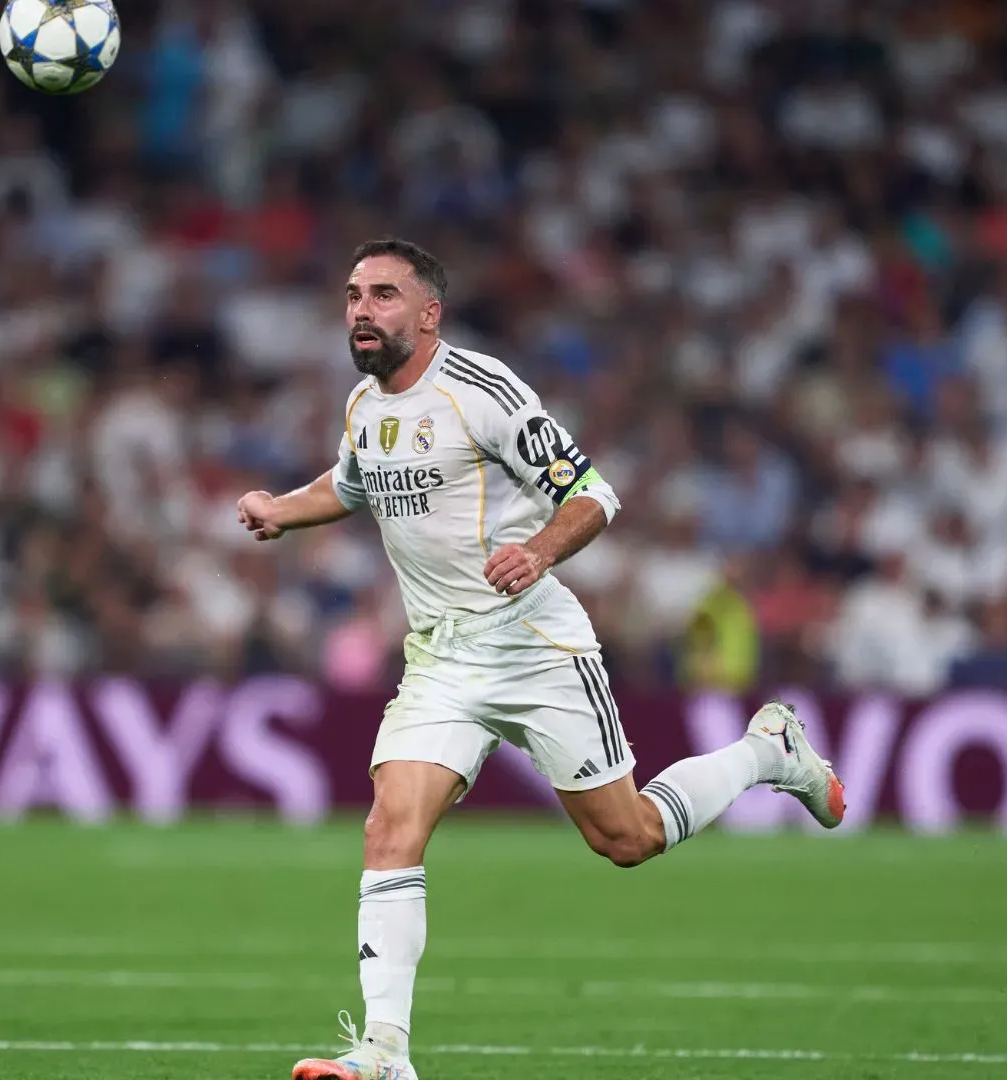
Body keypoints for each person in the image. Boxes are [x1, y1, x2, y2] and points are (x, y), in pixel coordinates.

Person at [236, 239, 847, 1080]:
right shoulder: (364, 406)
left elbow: (593, 493)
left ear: (428, 313)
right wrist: (280, 509)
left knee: (626, 838)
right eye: (352, 295)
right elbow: (347, 485)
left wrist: (539, 551)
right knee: (389, 827)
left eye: (382, 295)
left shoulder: (483, 392)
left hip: (533, 645)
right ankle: (384, 1051)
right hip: (442, 658)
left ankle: (765, 752)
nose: (360, 311)